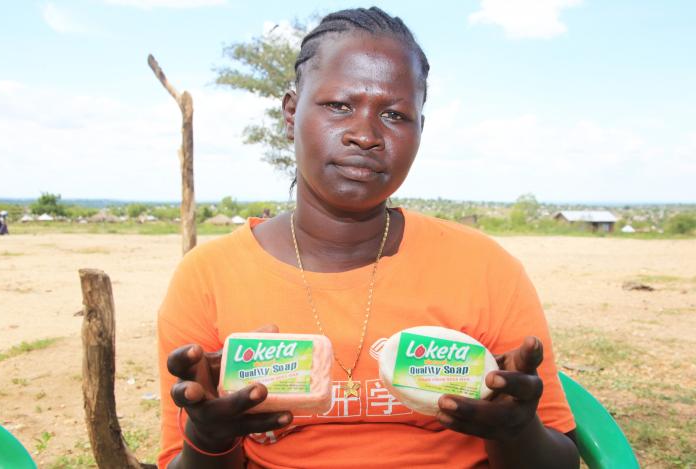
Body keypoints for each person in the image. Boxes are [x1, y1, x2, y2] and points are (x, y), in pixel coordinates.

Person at [158, 7, 579, 469]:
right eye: (339, 106)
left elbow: (559, 458)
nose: (365, 135)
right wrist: (209, 436)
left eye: (395, 115)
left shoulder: (484, 267)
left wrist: (514, 431)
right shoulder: (209, 277)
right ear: (291, 111)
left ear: (421, 130)